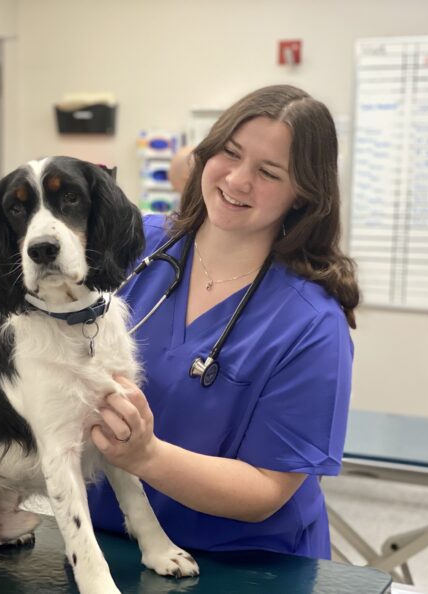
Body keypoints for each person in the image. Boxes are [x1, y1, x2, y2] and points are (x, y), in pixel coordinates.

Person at [87, 84, 359, 559]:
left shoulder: (311, 323)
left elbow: (266, 489)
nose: (236, 180)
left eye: (268, 172)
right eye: (229, 153)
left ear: (302, 196)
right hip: (108, 545)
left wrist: (145, 456)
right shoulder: (139, 244)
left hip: (244, 564)